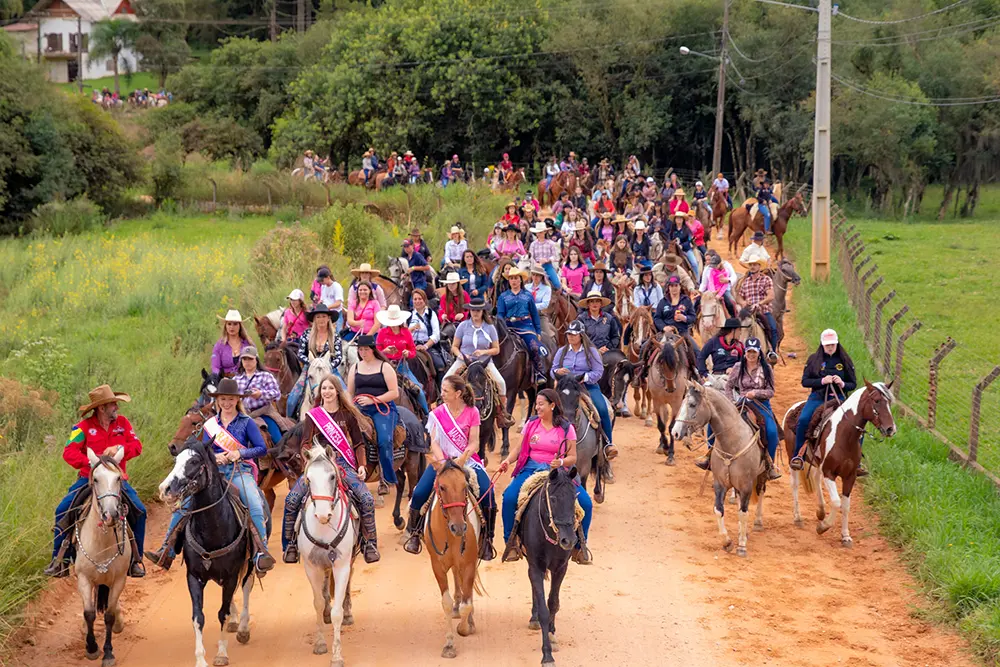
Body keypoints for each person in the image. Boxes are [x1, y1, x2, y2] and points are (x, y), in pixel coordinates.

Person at [146, 378, 275, 575]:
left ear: (236, 400)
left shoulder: (246, 422)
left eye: (230, 399)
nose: (226, 403)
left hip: (239, 471)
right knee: (184, 504)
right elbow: (203, 451)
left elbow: (261, 448)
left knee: (254, 503)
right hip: (213, 473)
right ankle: (167, 550)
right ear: (217, 401)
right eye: (223, 399)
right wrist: (216, 457)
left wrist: (239, 454)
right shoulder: (210, 424)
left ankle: (260, 553)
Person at [45, 385, 146, 578]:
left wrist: (119, 446)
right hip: (89, 479)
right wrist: (92, 463)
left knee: (140, 511)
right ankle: (60, 561)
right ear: (102, 408)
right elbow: (69, 452)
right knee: (63, 510)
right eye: (113, 404)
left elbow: (137, 446)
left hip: (117, 479)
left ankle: (135, 559)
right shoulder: (82, 428)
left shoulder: (123, 424)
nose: (117, 407)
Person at [282, 375, 380, 564]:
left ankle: (370, 544)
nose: (326, 392)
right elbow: (305, 443)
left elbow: (359, 443)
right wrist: (309, 457)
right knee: (292, 499)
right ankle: (290, 545)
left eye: (330, 388)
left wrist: (361, 465)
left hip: (342, 464)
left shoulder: (348, 415)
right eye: (323, 389)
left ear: (337, 391)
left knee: (367, 499)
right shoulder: (313, 416)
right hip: (318, 464)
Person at [402, 375, 497, 560]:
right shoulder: (437, 413)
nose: (442, 394)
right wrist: (442, 462)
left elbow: (475, 442)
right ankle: (414, 533)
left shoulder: (472, 412)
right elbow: (434, 443)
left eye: (446, 391)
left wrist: (462, 459)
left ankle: (487, 539)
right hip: (442, 462)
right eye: (442, 390)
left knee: (488, 494)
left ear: (458, 393)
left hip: (467, 461)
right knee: (420, 492)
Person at [499, 388, 592, 565]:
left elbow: (573, 457)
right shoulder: (531, 424)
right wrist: (507, 461)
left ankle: (580, 547)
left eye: (541, 404)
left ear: (552, 405)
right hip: (531, 469)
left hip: (558, 472)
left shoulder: (567, 428)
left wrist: (562, 462)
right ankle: (511, 543)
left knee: (586, 503)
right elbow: (518, 450)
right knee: (509, 498)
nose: (537, 408)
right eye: (537, 404)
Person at [792, 329, 858, 472]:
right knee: (803, 420)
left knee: (856, 423)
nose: (830, 347)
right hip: (818, 397)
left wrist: (842, 383)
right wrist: (822, 381)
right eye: (827, 344)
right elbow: (805, 381)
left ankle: (856, 460)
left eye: (832, 344)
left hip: (839, 398)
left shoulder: (845, 361)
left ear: (837, 343)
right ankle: (798, 455)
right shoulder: (813, 360)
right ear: (822, 344)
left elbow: (853, 383)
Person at [559, 317, 618, 459]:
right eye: (569, 334)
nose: (570, 337)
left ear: (581, 335)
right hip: (565, 387)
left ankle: (608, 443)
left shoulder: (591, 351)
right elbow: (553, 368)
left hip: (587, 386)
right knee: (547, 405)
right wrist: (556, 372)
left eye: (574, 334)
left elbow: (598, 372)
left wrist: (583, 377)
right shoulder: (562, 351)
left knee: (602, 408)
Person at [724, 337, 781, 482]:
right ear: (745, 352)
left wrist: (756, 393)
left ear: (759, 353)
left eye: (754, 352)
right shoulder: (738, 367)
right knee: (718, 425)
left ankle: (770, 465)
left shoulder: (766, 368)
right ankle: (710, 456)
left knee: (772, 432)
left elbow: (771, 391)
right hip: (742, 403)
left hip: (761, 404)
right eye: (749, 352)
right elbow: (728, 386)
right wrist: (731, 402)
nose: (751, 355)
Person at [348, 334, 401, 486]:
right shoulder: (355, 367)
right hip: (359, 409)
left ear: (373, 349)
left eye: (366, 349)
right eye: (360, 350)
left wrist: (373, 400)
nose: (363, 353)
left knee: (384, 440)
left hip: (382, 408)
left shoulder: (385, 366)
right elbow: (350, 392)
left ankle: (387, 477)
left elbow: (394, 392)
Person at [444, 297, 508, 401]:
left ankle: (501, 413)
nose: (475, 313)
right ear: (470, 311)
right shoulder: (462, 326)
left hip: (484, 362)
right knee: (445, 380)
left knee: (501, 383)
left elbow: (496, 349)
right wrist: (461, 355)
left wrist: (483, 352)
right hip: (464, 361)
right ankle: (445, 407)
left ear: (483, 311)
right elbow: (454, 347)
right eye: (473, 310)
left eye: (478, 310)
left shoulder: (490, 328)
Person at [495, 267, 547, 386]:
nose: (514, 281)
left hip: (525, 326)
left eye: (516, 278)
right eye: (511, 278)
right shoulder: (503, 297)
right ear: (508, 281)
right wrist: (501, 328)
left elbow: (534, 314)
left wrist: (538, 331)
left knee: (534, 347)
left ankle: (539, 372)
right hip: (508, 326)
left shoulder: (528, 296)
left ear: (520, 280)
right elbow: (500, 315)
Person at [376, 304, 430, 416]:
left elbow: (413, 351)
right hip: (385, 366)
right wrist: (385, 351)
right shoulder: (382, 333)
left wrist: (407, 353)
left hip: (402, 367)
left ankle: (426, 415)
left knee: (418, 391)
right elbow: (376, 351)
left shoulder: (406, 333)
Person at [235, 346, 283, 444]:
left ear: (256, 360)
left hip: (263, 413)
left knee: (278, 440)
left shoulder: (266, 376)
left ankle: (281, 456)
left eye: (250, 359)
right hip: (242, 415)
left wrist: (261, 394)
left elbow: (276, 393)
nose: (247, 362)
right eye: (244, 359)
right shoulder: (236, 379)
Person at [736, 257, 780, 362]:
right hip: (748, 312)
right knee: (736, 327)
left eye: (755, 264)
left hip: (763, 311)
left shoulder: (766, 279)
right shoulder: (745, 282)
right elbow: (739, 297)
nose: (752, 266)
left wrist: (758, 304)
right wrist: (743, 302)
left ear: (760, 266)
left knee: (773, 329)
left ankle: (771, 351)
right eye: (751, 264)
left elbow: (771, 296)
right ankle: (736, 351)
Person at [297, 304, 344, 377]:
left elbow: (339, 357)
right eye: (318, 317)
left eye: (324, 316)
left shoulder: (335, 336)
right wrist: (312, 363)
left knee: (342, 387)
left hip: (329, 369)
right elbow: (300, 353)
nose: (321, 319)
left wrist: (327, 366)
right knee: (297, 388)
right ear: (314, 319)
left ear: (329, 318)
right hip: (310, 368)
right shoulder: (306, 334)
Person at [409, 288, 445, 376]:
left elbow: (436, 335)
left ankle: (440, 388)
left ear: (424, 300)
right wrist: (411, 329)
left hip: (427, 345)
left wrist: (425, 346)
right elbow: (404, 333)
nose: (417, 301)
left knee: (439, 365)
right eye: (415, 299)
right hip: (411, 345)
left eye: (420, 299)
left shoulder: (431, 314)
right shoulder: (409, 315)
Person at [211, 310, 252, 377]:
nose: (232, 327)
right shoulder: (219, 346)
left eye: (235, 324)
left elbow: (255, 363)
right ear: (225, 326)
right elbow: (215, 367)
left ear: (240, 326)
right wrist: (220, 378)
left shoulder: (248, 344)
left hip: (245, 379)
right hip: (225, 381)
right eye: (229, 324)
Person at [700, 253, 738, 317]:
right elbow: (706, 283)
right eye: (706, 260)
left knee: (731, 303)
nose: (707, 262)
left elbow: (734, 277)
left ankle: (733, 321)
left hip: (724, 290)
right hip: (711, 291)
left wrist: (728, 280)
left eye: (709, 260)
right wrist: (701, 292)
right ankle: (693, 320)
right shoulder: (708, 268)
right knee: (698, 302)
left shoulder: (726, 267)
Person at [667, 212, 701, 282]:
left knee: (694, 263)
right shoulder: (672, 230)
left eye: (680, 218)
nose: (679, 220)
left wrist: (682, 246)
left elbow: (689, 241)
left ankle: (697, 280)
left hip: (685, 250)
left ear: (683, 220)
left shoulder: (687, 230)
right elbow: (669, 239)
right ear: (675, 219)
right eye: (677, 218)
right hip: (674, 250)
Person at [528, 222, 563, 289]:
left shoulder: (551, 243)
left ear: (545, 232)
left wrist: (548, 260)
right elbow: (531, 256)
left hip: (548, 266)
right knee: (528, 283)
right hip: (536, 267)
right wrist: (536, 263)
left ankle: (562, 295)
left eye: (541, 232)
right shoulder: (533, 244)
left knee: (557, 284)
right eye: (538, 232)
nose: (539, 234)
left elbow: (555, 256)